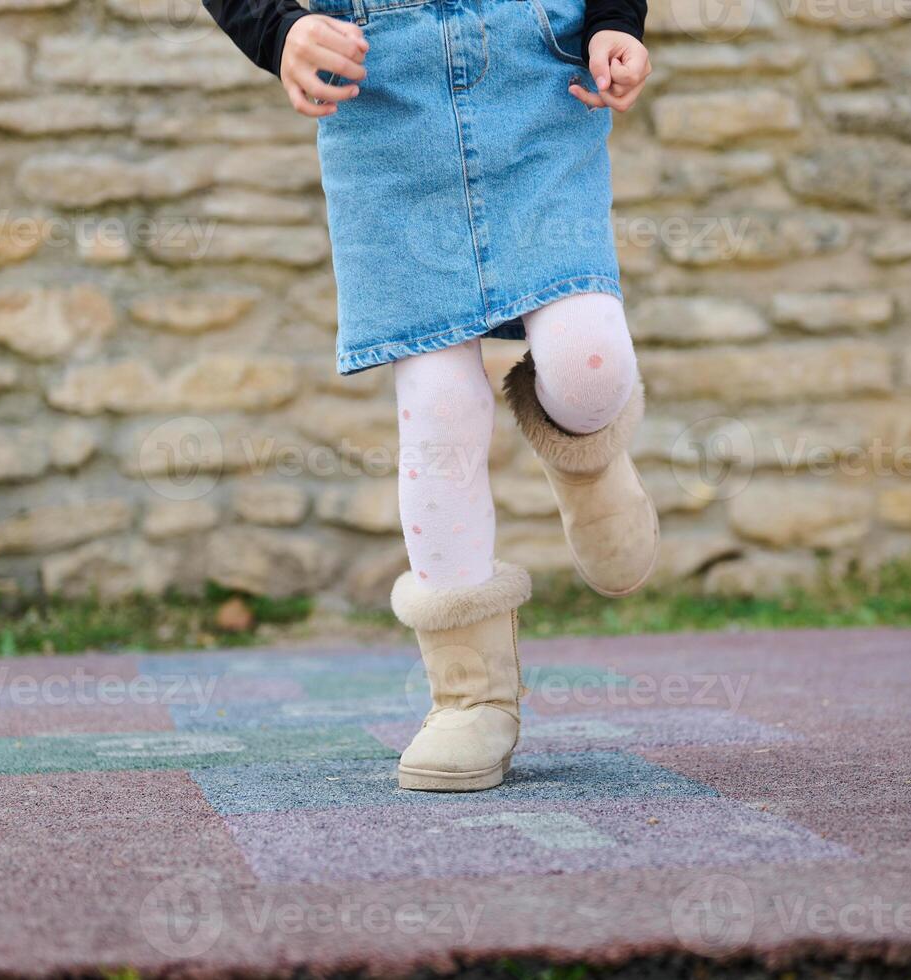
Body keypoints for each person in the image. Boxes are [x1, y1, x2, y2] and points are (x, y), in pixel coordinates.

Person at [205, 0, 658, 791]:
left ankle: (587, 463)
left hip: (538, 85)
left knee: (587, 360)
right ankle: (468, 696)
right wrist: (275, 28)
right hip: (383, 105)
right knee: (439, 405)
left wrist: (617, 17)